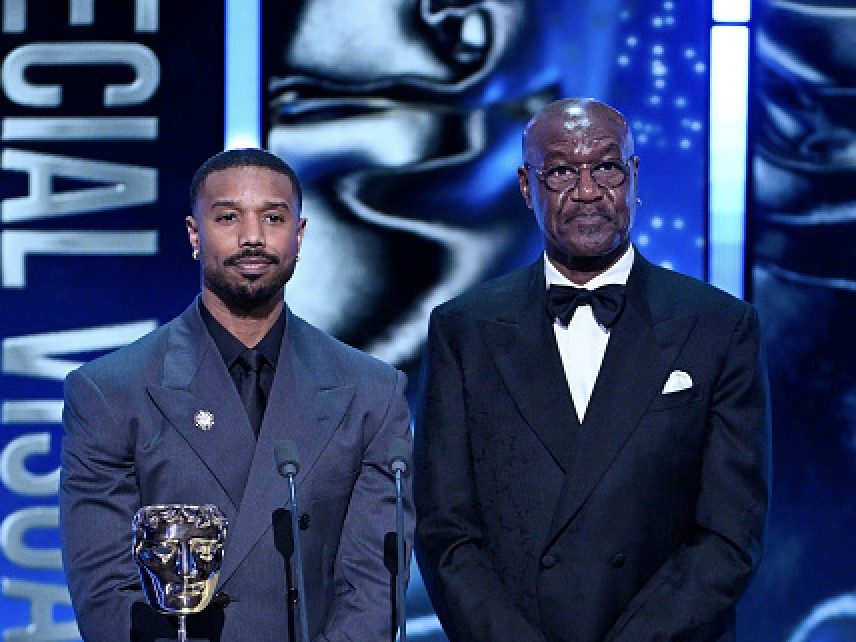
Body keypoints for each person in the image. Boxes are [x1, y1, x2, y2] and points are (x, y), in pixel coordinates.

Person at [414, 98, 770, 642]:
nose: (586, 191)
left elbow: (729, 534)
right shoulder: (465, 329)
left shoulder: (720, 326)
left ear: (633, 176)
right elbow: (447, 532)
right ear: (527, 186)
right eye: (560, 171)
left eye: (606, 167)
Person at [59, 148, 414, 641]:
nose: (252, 237)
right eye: (228, 217)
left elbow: (374, 583)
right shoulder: (111, 392)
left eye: (273, 217)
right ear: (194, 235)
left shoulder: (372, 392)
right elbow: (106, 588)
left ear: (299, 235)